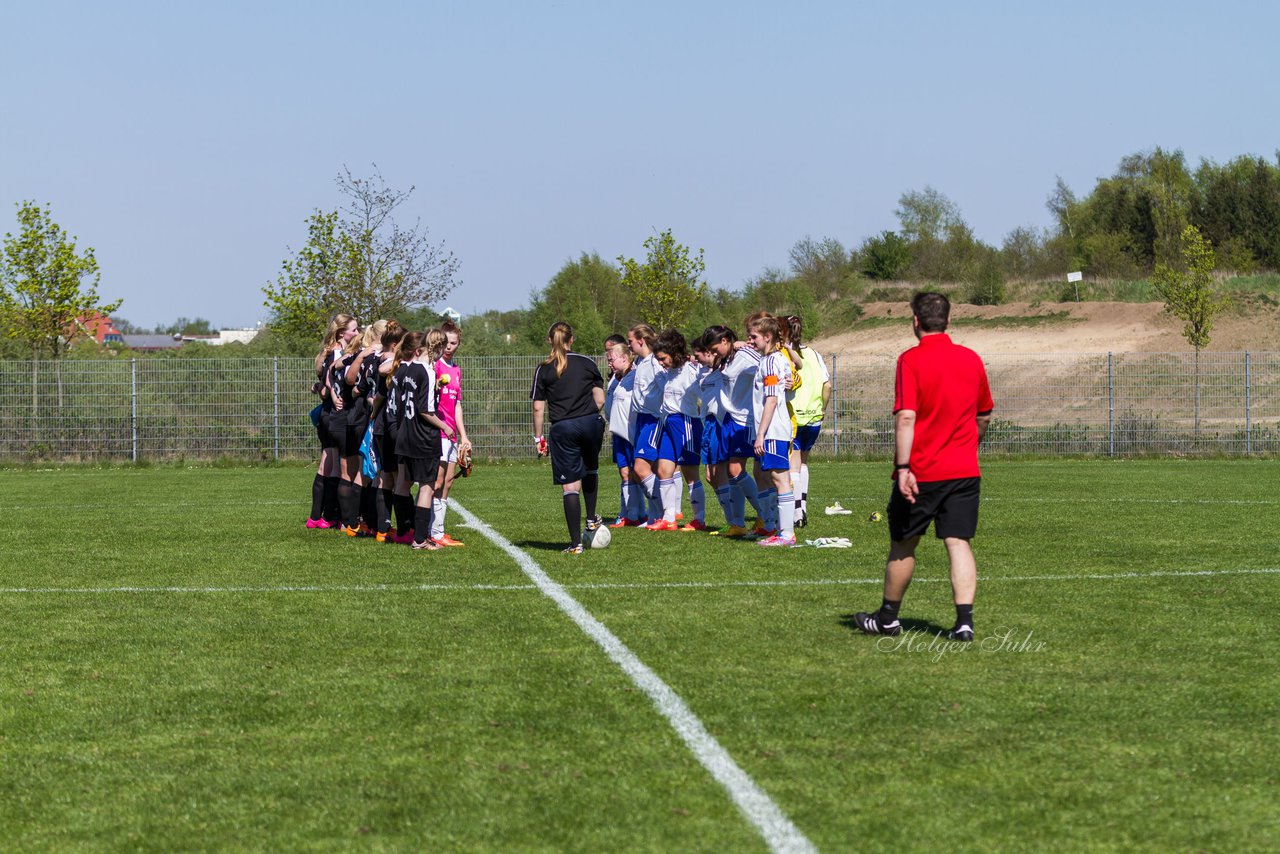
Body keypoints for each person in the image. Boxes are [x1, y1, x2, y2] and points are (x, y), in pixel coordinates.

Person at [854, 292, 994, 642]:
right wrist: (968, 446)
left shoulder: (910, 360)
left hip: (922, 472)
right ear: (949, 319)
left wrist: (903, 467)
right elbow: (985, 414)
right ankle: (964, 623)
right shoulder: (971, 358)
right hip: (964, 471)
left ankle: (887, 619)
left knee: (904, 543)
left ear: (915, 320)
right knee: (958, 542)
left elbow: (906, 417)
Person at [530, 321, 607, 554]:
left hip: (564, 428)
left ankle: (576, 544)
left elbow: (538, 409)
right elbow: (601, 399)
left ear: (549, 340)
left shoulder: (544, 368)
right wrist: (586, 415)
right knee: (591, 468)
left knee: (570, 486)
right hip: (592, 423)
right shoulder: (587, 362)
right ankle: (592, 518)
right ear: (572, 339)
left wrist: (538, 438)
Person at [397, 328, 455, 551]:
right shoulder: (428, 372)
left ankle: (409, 531)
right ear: (437, 347)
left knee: (406, 483)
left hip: (406, 433)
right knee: (427, 486)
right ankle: (420, 539)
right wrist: (445, 428)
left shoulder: (409, 368)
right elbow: (425, 410)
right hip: (423, 436)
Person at [747, 315, 798, 547]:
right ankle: (774, 527)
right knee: (770, 477)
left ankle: (786, 534)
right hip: (775, 427)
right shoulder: (774, 359)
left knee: (779, 479)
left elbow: (771, 400)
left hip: (774, 429)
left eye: (754, 336)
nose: (750, 340)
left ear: (767, 337)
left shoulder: (770, 361)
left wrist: (761, 433)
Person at [652, 329, 706, 531]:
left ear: (674, 352)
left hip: (687, 424)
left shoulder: (691, 371)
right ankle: (669, 518)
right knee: (663, 470)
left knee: (690, 473)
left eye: (663, 358)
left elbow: (706, 394)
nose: (661, 362)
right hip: (668, 423)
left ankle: (699, 519)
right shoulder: (668, 372)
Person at [307, 313, 356, 529]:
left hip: (326, 415)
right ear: (341, 332)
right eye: (353, 329)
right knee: (336, 468)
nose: (357, 333)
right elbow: (328, 386)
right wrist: (333, 395)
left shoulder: (330, 351)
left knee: (326, 466)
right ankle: (332, 516)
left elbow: (322, 385)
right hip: (332, 414)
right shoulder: (338, 353)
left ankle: (316, 517)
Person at [785, 315, 831, 528]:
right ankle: (802, 507)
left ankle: (797, 512)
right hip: (814, 416)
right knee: (803, 462)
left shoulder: (785, 354)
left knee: (792, 464)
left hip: (794, 415)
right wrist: (822, 409)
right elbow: (827, 385)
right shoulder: (814, 353)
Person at [429, 319, 471, 547]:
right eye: (446, 342)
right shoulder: (434, 366)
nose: (449, 346)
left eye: (453, 343)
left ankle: (438, 531)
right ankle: (427, 529)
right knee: (435, 481)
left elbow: (456, 404)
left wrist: (463, 435)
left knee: (447, 483)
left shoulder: (456, 370)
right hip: (438, 432)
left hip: (452, 434)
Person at [627, 323, 665, 527]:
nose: (629, 344)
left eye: (630, 340)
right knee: (647, 469)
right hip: (642, 420)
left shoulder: (655, 363)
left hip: (653, 419)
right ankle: (654, 516)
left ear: (641, 340)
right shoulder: (640, 362)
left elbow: (666, 387)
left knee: (641, 468)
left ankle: (664, 514)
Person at [603, 335, 643, 528]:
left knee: (637, 472)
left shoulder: (635, 375)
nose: (609, 363)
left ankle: (649, 513)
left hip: (631, 432)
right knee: (625, 472)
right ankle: (630, 514)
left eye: (612, 359)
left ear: (625, 358)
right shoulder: (615, 378)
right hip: (618, 432)